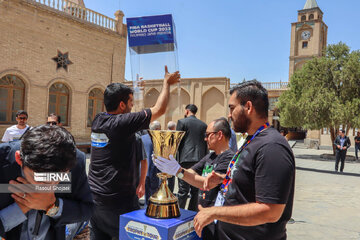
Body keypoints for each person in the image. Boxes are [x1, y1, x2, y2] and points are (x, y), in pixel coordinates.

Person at [193, 80, 295, 240]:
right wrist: (224, 179)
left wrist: (214, 212)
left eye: (232, 108)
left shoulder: (272, 147)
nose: (229, 115)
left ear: (248, 107)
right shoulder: (254, 140)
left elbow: (271, 211)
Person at [88, 66, 180, 239]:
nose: (132, 107)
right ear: (121, 105)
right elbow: (159, 110)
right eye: (130, 103)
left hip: (95, 198)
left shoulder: (98, 119)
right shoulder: (121, 123)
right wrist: (166, 83)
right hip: (117, 201)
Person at [0, 125, 94, 240]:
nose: (48, 188)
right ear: (19, 159)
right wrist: (18, 209)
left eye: (58, 178)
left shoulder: (75, 160)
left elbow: (87, 209)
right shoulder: (2, 160)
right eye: (41, 180)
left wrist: (52, 206)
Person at [154, 117, 234, 238]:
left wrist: (179, 171)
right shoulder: (210, 156)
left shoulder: (229, 158)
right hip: (203, 215)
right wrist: (171, 167)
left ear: (219, 135)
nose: (205, 138)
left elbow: (206, 184)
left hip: (216, 220)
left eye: (208, 135)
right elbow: (191, 171)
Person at [176, 104, 208, 211]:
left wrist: (176, 160)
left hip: (185, 160)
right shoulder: (203, 125)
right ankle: (192, 213)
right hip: (199, 159)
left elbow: (177, 142)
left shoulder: (182, 122)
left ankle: (180, 212)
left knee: (183, 189)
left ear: (187, 111)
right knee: (195, 189)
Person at [141, 121, 161, 204]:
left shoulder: (142, 138)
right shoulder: (158, 139)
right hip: (154, 171)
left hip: (143, 171)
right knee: (154, 195)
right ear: (156, 129)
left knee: (147, 196)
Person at [166, 121, 176, 192]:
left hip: (163, 159)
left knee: (163, 178)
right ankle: (170, 193)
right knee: (171, 180)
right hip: (172, 160)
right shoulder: (175, 135)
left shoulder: (163, 134)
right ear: (174, 128)